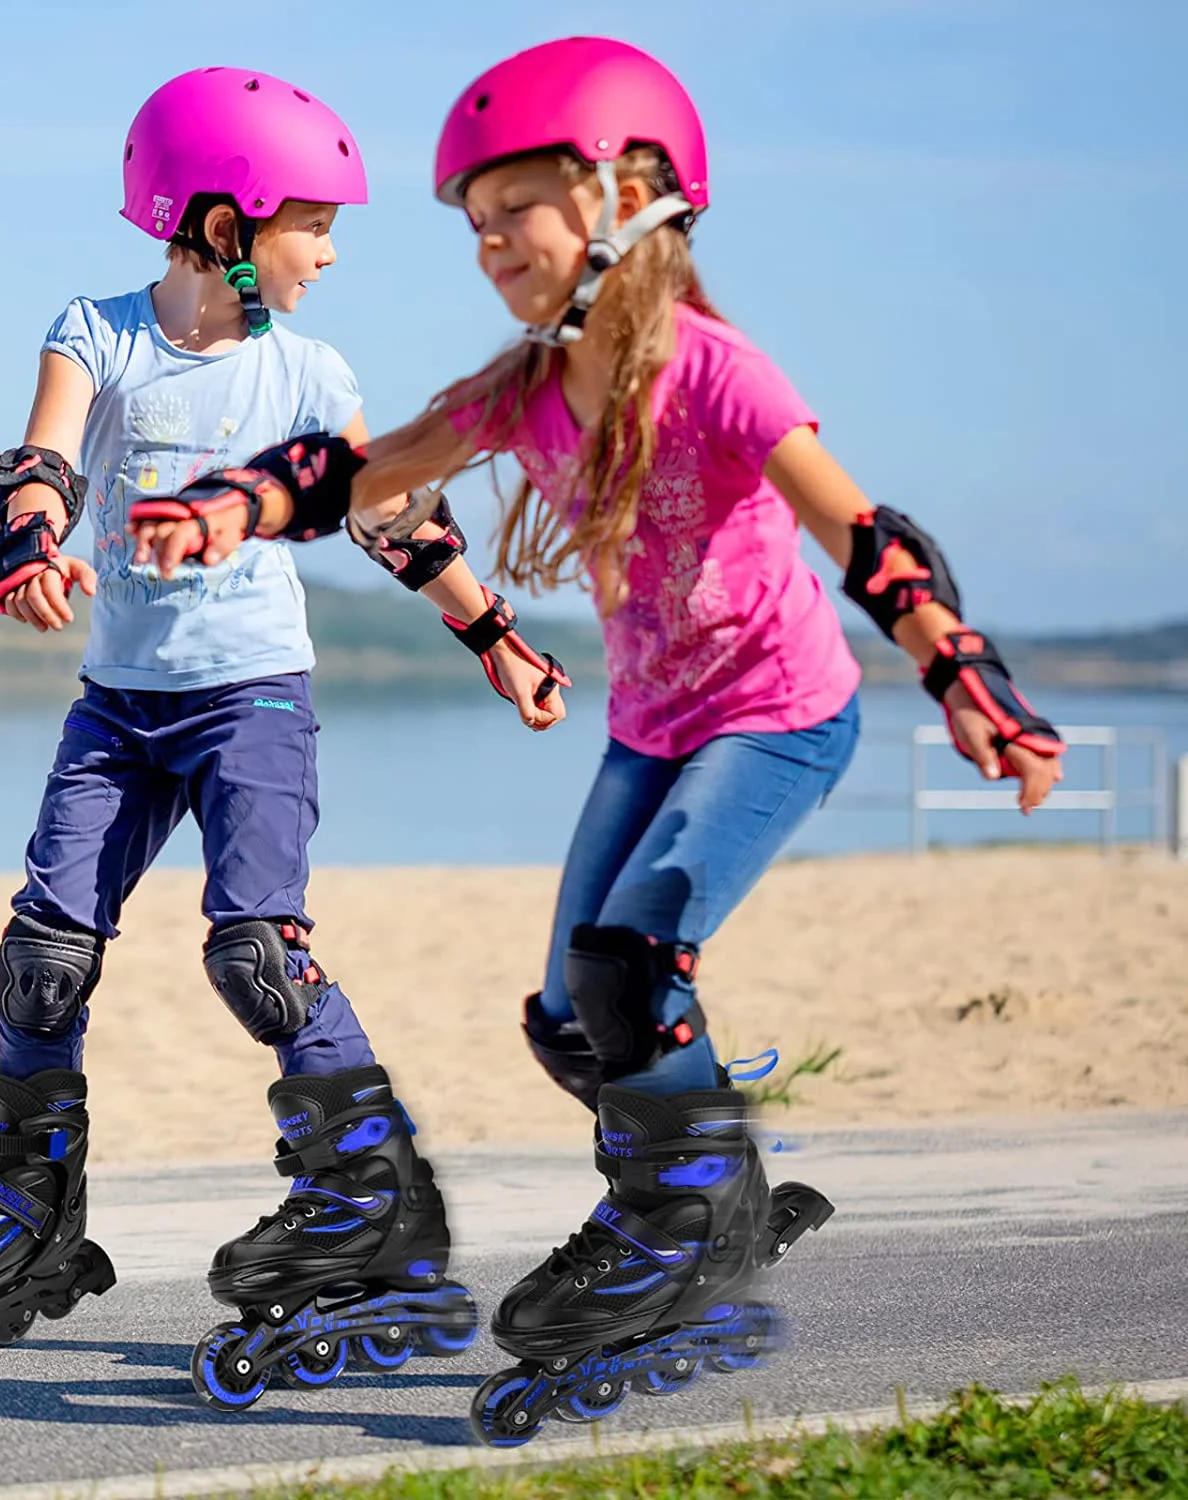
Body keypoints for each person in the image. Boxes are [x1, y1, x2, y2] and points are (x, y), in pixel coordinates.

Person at [131, 37, 1066, 1444]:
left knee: (630, 963)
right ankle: (708, 1199)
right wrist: (235, 506)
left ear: (627, 195)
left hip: (778, 715)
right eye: (475, 222)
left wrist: (966, 678)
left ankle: (674, 1221)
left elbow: (865, 533)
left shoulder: (715, 369)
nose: (492, 241)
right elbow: (366, 472)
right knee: (573, 1014)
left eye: (518, 207)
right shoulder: (527, 387)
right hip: (653, 724)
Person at [0, 64, 568, 1409]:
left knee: (258, 957)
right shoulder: (98, 332)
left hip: (254, 699)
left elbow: (391, 513)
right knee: (43, 956)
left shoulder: (309, 370)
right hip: (119, 706)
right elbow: (44, 460)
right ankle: (23, 1200)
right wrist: (29, 546)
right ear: (227, 225)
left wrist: (494, 634)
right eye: (316, 224)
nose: (332, 252)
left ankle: (369, 1199)